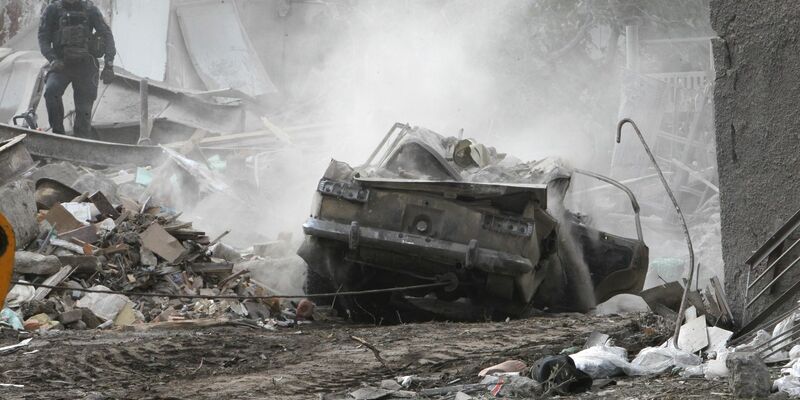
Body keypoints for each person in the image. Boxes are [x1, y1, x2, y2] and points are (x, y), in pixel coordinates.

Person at [38, 0, 116, 138]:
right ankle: (58, 137)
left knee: (84, 110)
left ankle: (81, 141)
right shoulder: (52, 10)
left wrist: (109, 64)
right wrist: (52, 59)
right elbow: (43, 38)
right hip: (61, 64)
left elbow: (106, 34)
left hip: (86, 66)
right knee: (51, 91)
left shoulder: (90, 9)